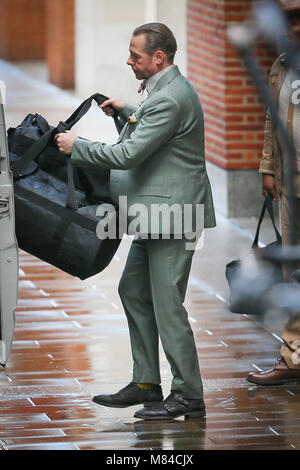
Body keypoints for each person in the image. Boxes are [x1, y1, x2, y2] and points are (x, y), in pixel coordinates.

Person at [55, 23, 216, 419]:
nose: (129, 60)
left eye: (136, 55)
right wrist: (126, 111)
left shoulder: (170, 97)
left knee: (168, 305)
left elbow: (128, 155)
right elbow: (152, 129)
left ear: (158, 58)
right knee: (133, 291)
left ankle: (188, 394)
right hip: (157, 215)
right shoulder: (165, 90)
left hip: (174, 217)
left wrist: (79, 147)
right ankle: (146, 381)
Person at [247, 0, 300, 386]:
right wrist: (268, 168)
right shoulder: (281, 65)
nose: (294, 28)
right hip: (290, 184)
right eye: (289, 21)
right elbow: (271, 119)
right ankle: (293, 354)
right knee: (292, 272)